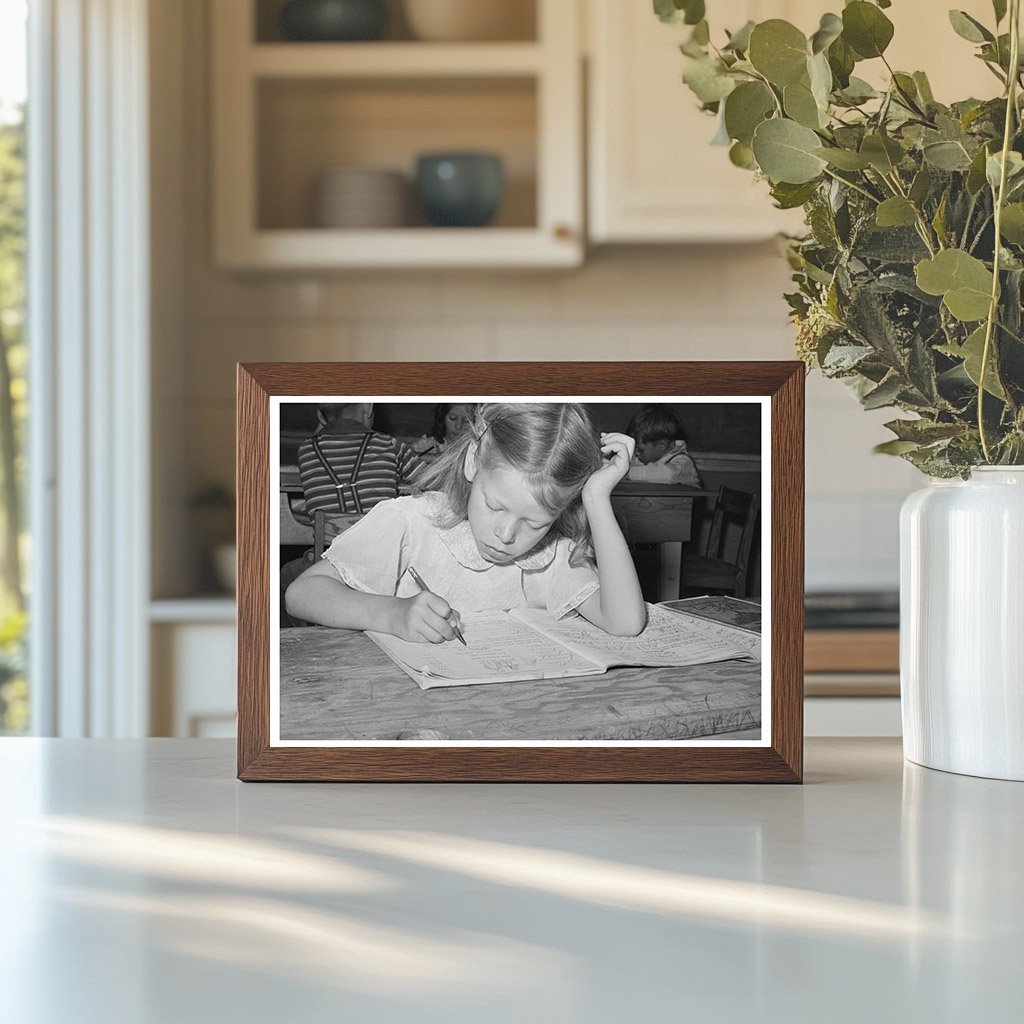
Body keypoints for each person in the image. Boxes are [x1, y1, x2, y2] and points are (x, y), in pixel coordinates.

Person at [285, 402, 648, 643]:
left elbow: (625, 622)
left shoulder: (551, 554)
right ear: (473, 461)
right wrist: (392, 614)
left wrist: (597, 498)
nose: (506, 535)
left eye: (534, 523)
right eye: (495, 506)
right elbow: (302, 594)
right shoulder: (410, 522)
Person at [296, 402, 422, 520]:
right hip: (382, 541)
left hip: (330, 543)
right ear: (369, 407)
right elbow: (431, 479)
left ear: (320, 416)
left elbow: (317, 436)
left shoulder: (306, 450)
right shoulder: (389, 445)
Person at [625, 405, 702, 487]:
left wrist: (620, 473)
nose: (636, 453)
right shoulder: (644, 456)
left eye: (640, 450)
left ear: (662, 445)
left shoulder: (683, 462)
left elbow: (665, 475)